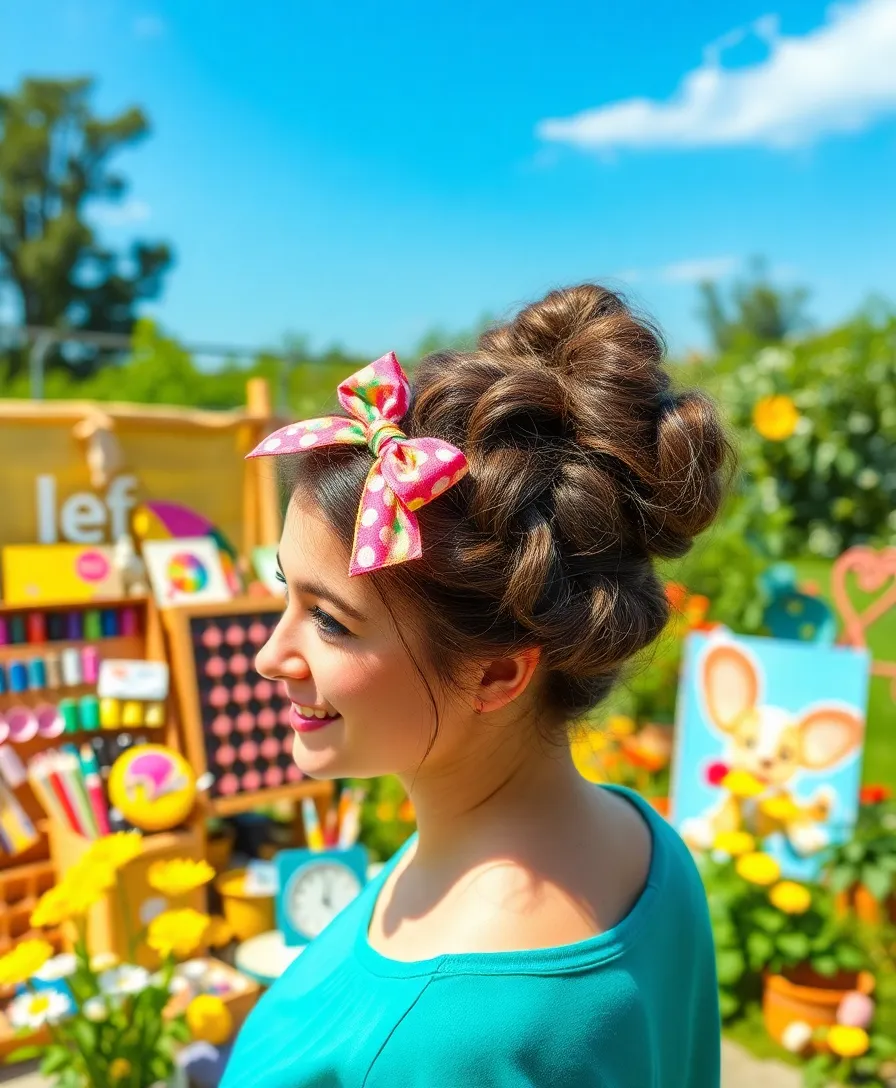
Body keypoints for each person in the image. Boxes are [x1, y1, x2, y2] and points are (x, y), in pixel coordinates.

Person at [221, 284, 731, 1087]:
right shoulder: (644, 849)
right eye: (284, 589)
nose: (268, 656)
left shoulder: (444, 1042)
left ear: (496, 673)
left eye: (330, 622)